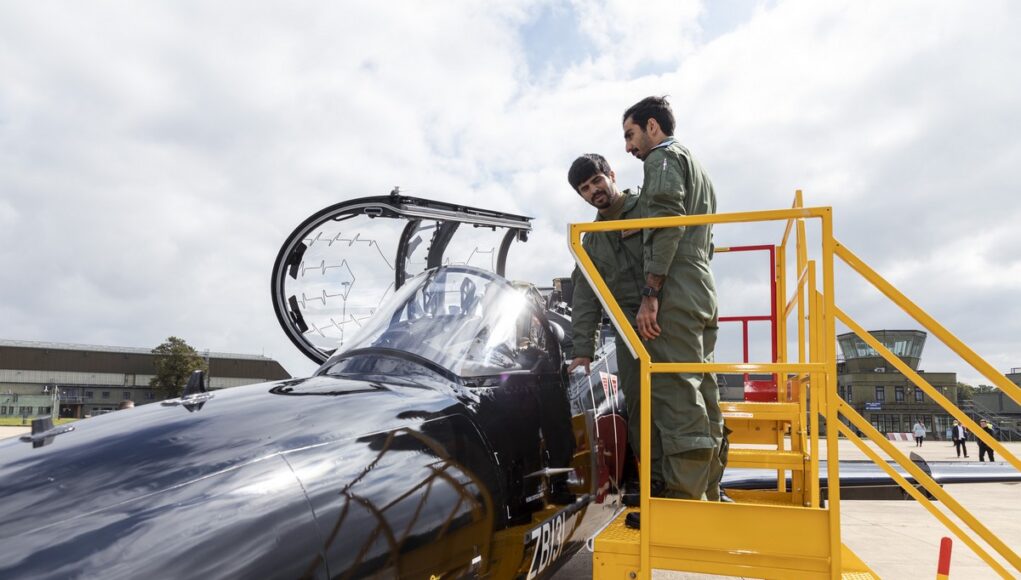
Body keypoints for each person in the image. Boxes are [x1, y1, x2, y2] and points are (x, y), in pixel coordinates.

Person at [619, 96, 725, 528]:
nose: (629, 147)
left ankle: (682, 506)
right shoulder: (698, 167)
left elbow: (666, 223)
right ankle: (709, 492)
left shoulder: (661, 159)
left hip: (676, 287)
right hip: (701, 287)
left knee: (676, 393)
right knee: (703, 389)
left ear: (652, 127)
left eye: (630, 135)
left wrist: (651, 293)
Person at [566, 153, 646, 500]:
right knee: (640, 408)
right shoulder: (592, 240)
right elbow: (586, 295)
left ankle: (709, 483)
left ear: (611, 174)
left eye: (597, 181)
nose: (594, 191)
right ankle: (653, 483)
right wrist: (583, 349)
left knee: (691, 400)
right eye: (585, 188)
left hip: (671, 319)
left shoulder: (648, 209)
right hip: (630, 335)